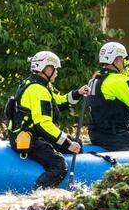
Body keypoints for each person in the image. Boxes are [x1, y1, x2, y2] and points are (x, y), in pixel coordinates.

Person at [6, 51, 90, 190]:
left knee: (78, 143)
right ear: (47, 68)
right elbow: (42, 124)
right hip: (27, 139)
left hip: (32, 134)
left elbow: (59, 102)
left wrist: (78, 93)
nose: (57, 72)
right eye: (55, 69)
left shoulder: (37, 84)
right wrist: (67, 143)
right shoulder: (38, 90)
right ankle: (37, 197)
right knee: (59, 165)